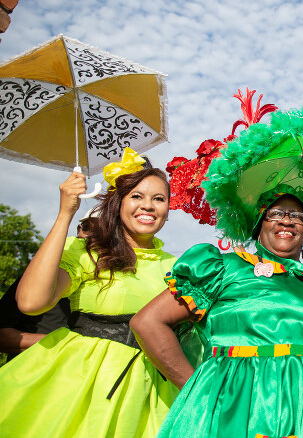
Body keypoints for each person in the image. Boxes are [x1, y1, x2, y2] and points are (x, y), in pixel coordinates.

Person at [131, 189, 303, 438]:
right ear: (258, 225)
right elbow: (148, 322)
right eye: (275, 213)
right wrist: (196, 388)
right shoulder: (224, 268)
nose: (286, 220)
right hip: (236, 411)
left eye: (298, 216)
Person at [0, 149, 178, 437]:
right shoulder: (88, 252)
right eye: (136, 196)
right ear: (118, 203)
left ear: (168, 210)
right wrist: (65, 214)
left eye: (159, 198)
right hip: (78, 387)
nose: (148, 206)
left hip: (152, 394)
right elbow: (31, 302)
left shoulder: (179, 267)